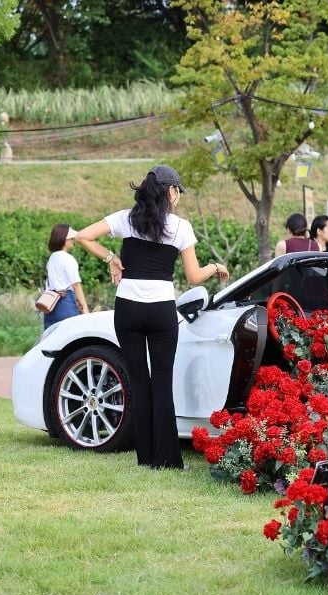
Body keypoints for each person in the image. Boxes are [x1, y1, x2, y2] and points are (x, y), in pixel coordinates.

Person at [76, 165, 229, 470]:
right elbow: (194, 276)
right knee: (161, 383)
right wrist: (216, 267)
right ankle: (167, 459)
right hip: (160, 310)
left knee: (138, 382)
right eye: (178, 191)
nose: (179, 196)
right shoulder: (181, 227)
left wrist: (112, 258)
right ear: (170, 191)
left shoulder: (126, 218)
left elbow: (83, 236)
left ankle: (145, 457)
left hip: (128, 310)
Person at [43, 224, 88, 329]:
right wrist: (84, 306)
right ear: (64, 240)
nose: (73, 241)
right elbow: (76, 285)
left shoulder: (52, 258)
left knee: (53, 336)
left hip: (51, 303)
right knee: (73, 333)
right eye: (71, 238)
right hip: (65, 301)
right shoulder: (68, 258)